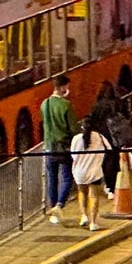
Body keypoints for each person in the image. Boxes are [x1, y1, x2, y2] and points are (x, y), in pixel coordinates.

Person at [41, 76, 79, 220]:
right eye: (67, 86)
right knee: (67, 178)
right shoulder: (66, 105)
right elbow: (73, 128)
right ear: (63, 87)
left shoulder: (44, 104)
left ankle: (53, 212)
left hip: (49, 148)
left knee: (52, 180)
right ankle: (59, 204)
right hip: (64, 148)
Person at [69, 121, 112, 230]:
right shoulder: (99, 136)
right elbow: (109, 149)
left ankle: (84, 216)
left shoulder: (76, 138)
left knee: (82, 192)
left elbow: (73, 155)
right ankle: (93, 223)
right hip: (94, 171)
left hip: (79, 171)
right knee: (93, 196)